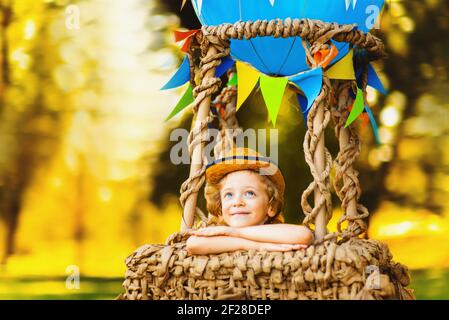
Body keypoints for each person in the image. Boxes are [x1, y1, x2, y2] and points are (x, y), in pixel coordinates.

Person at [186, 147, 314, 255]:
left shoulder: (274, 231)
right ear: (220, 205)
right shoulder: (220, 231)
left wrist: (236, 232)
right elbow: (193, 244)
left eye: (249, 193)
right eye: (229, 195)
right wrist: (253, 245)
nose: (237, 202)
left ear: (271, 206)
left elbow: (304, 235)